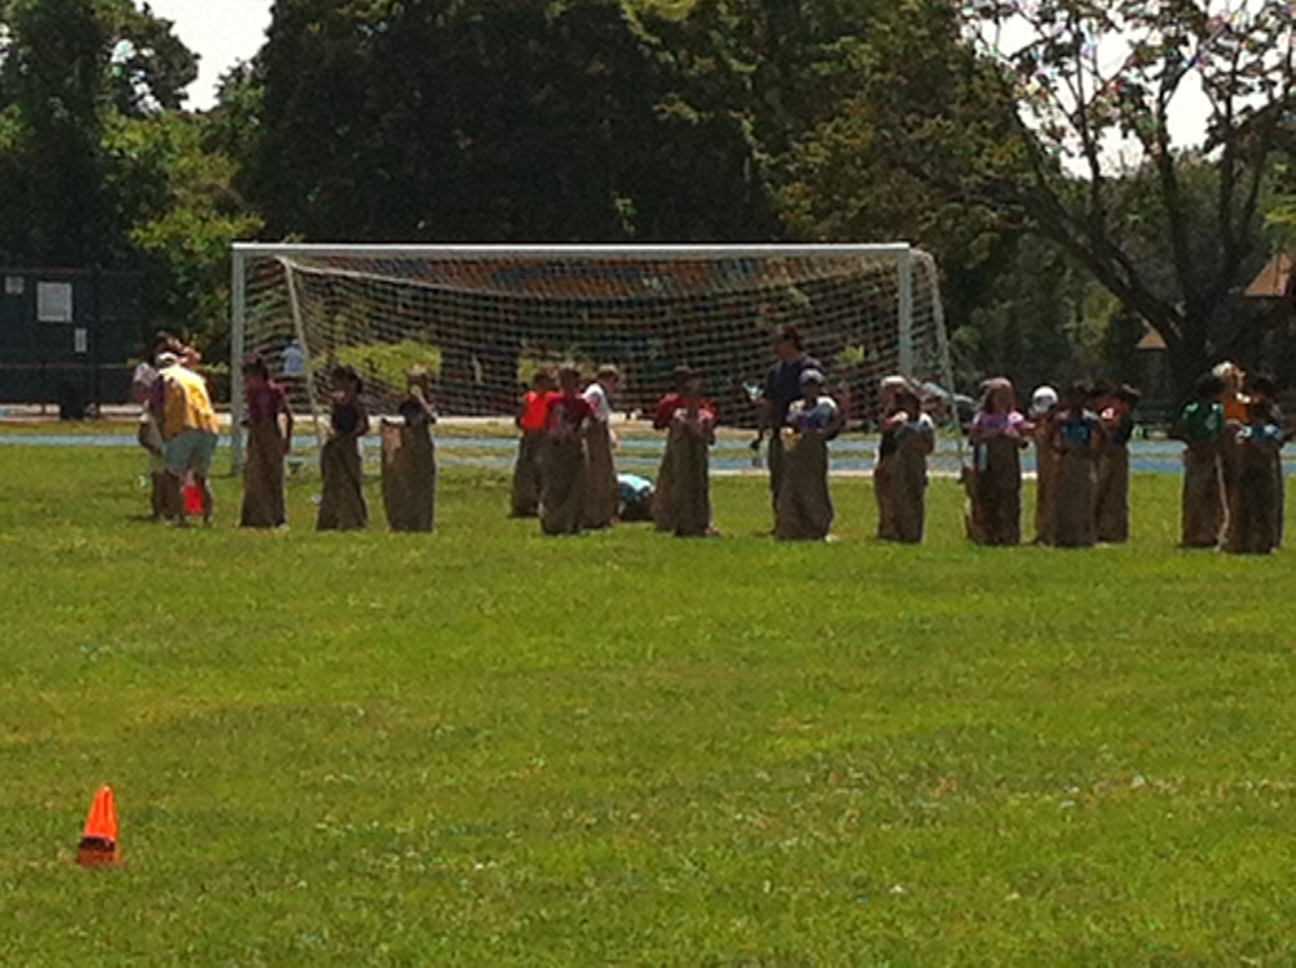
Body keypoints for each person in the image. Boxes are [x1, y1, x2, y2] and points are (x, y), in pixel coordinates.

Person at [754, 325, 824, 514]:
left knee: (803, 478)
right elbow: (768, 403)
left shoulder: (809, 368)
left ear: (790, 342)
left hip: (803, 432)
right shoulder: (774, 372)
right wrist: (760, 433)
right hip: (780, 432)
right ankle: (783, 519)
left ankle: (806, 519)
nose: (775, 347)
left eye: (778, 342)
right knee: (779, 478)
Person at [152, 349, 220, 527]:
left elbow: (157, 407)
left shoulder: (163, 377)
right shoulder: (195, 377)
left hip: (183, 425)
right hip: (209, 426)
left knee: (173, 476)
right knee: (201, 476)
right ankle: (208, 518)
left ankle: (181, 518)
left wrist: (163, 431)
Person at [774, 369, 843, 540]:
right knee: (791, 488)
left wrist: (823, 433)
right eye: (807, 386)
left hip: (815, 449)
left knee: (814, 489)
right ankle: (792, 526)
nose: (810, 390)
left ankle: (817, 527)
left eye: (814, 386)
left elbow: (837, 422)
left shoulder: (826, 405)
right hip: (796, 449)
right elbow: (790, 423)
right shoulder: (795, 406)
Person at [964, 377, 1028, 545]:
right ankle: (987, 534)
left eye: (1006, 395)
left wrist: (1013, 436)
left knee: (1010, 499)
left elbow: (1024, 442)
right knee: (987, 497)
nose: (1002, 400)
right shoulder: (982, 417)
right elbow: (973, 438)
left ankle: (1010, 535)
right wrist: (991, 434)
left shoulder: (1015, 418)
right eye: (999, 395)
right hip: (987, 463)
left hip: (1008, 466)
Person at [1224, 376, 1284, 554]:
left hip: (1262, 473)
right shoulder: (1248, 432)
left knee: (1264, 508)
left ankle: (1263, 541)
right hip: (1252, 473)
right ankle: (1246, 541)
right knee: (1248, 508)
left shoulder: (1265, 430)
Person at [875, 379, 935, 543]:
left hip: (914, 464)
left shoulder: (923, 421)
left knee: (914, 497)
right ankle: (894, 530)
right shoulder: (898, 417)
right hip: (896, 460)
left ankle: (913, 532)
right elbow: (884, 426)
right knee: (895, 497)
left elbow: (929, 446)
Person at [1171, 372, 1226, 548]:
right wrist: (1196, 446)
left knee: (1214, 496)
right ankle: (1192, 534)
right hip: (1196, 456)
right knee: (1195, 496)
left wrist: (1214, 448)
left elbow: (1220, 432)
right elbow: (1182, 431)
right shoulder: (1192, 410)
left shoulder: (1218, 411)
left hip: (1213, 456)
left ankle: (1212, 533)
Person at [663, 367, 718, 537]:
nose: (692, 402)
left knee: (700, 487)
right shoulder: (679, 417)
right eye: (689, 398)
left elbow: (711, 440)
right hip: (683, 458)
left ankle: (702, 522)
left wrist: (704, 429)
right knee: (683, 486)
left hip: (699, 457)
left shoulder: (705, 417)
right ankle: (683, 523)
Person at [239, 354, 293, 528]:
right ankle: (254, 515)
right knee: (255, 474)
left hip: (271, 433)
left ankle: (276, 515)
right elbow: (252, 415)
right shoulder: (251, 393)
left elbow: (288, 415)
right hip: (256, 434)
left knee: (274, 475)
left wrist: (287, 440)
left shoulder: (275, 391)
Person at [380, 367, 437, 532]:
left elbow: (431, 418)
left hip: (422, 443)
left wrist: (421, 400)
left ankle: (423, 522)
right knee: (405, 482)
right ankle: (404, 521)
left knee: (423, 483)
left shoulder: (428, 402)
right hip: (407, 442)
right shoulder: (405, 402)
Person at [1048, 382, 1104, 548]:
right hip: (1066, 460)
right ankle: (1063, 536)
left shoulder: (1091, 420)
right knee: (1065, 498)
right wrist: (1058, 449)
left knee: (1084, 498)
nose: (1076, 401)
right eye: (1073, 397)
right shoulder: (1061, 419)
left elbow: (1105, 438)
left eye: (1080, 397)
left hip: (1084, 461)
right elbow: (1048, 437)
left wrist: (1094, 453)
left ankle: (1084, 537)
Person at [539, 364, 593, 535]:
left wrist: (580, 432)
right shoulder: (553, 402)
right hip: (556, 445)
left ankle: (573, 521)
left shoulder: (582, 403)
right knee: (555, 484)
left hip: (574, 446)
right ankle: (552, 520)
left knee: (577, 483)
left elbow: (590, 421)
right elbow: (547, 423)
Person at [316, 364, 369, 531]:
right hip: (335, 444)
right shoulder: (336, 402)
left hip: (349, 445)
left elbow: (364, 425)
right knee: (332, 481)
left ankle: (354, 520)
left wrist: (351, 435)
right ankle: (330, 520)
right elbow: (333, 421)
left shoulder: (356, 403)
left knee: (350, 482)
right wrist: (333, 434)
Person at [1094, 382, 1140, 543]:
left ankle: (1114, 530)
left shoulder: (1126, 419)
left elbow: (1117, 439)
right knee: (1101, 492)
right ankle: (1098, 527)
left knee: (1116, 495)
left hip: (1116, 456)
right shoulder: (1110, 415)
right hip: (1105, 456)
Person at [510, 369, 555, 518]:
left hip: (545, 436)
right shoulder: (528, 398)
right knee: (525, 469)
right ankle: (523, 503)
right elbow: (519, 417)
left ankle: (540, 502)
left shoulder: (552, 399)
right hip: (530, 436)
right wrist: (526, 428)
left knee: (543, 469)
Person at [582, 364, 622, 529]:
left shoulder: (600, 394)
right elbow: (588, 409)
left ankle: (605, 514)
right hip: (595, 436)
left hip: (600, 434)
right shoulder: (595, 392)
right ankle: (595, 515)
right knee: (598, 477)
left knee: (606, 477)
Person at [130, 357, 170, 521]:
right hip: (158, 451)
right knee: (158, 484)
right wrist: (154, 449)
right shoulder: (150, 406)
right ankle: (157, 512)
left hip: (170, 448)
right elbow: (143, 433)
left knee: (170, 483)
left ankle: (169, 510)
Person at [1029, 384, 1060, 544]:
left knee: (1053, 496)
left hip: (1055, 464)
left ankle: (1052, 532)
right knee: (1043, 495)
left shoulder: (1057, 424)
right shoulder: (1040, 424)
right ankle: (1041, 531)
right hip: (1042, 464)